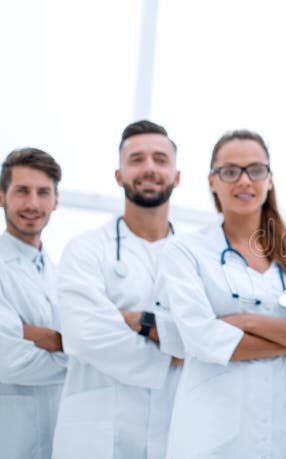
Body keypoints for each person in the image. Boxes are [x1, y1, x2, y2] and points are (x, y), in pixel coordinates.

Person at [157, 129, 286, 458]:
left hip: (285, 437)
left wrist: (245, 321)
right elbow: (201, 339)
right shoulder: (185, 251)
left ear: (269, 179)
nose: (244, 181)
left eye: (255, 170)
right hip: (211, 435)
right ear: (212, 181)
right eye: (230, 171)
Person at [53, 120, 184, 459]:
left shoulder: (198, 259)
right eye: (136, 159)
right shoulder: (85, 250)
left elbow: (212, 335)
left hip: (175, 434)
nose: (149, 168)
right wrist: (174, 351)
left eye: (160, 158)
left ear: (177, 176)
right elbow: (86, 335)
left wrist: (136, 321)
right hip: (97, 439)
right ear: (119, 175)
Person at [0, 148, 66, 459]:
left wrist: (34, 335)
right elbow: (9, 360)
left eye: (43, 193)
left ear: (56, 200)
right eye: (22, 191)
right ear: (2, 196)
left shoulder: (62, 275)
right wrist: (79, 355)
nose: (32, 204)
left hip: (57, 437)